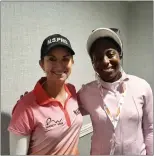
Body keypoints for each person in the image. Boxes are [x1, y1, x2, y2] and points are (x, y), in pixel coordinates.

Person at [77, 28, 153, 155]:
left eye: (110, 54)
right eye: (98, 58)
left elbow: (150, 129)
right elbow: (63, 107)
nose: (105, 61)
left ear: (120, 54)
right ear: (93, 63)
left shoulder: (141, 87)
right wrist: (35, 99)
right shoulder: (86, 92)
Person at [8, 34, 83, 155]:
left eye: (65, 58)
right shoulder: (24, 108)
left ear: (72, 62)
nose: (59, 65)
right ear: (42, 64)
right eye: (52, 59)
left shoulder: (72, 91)